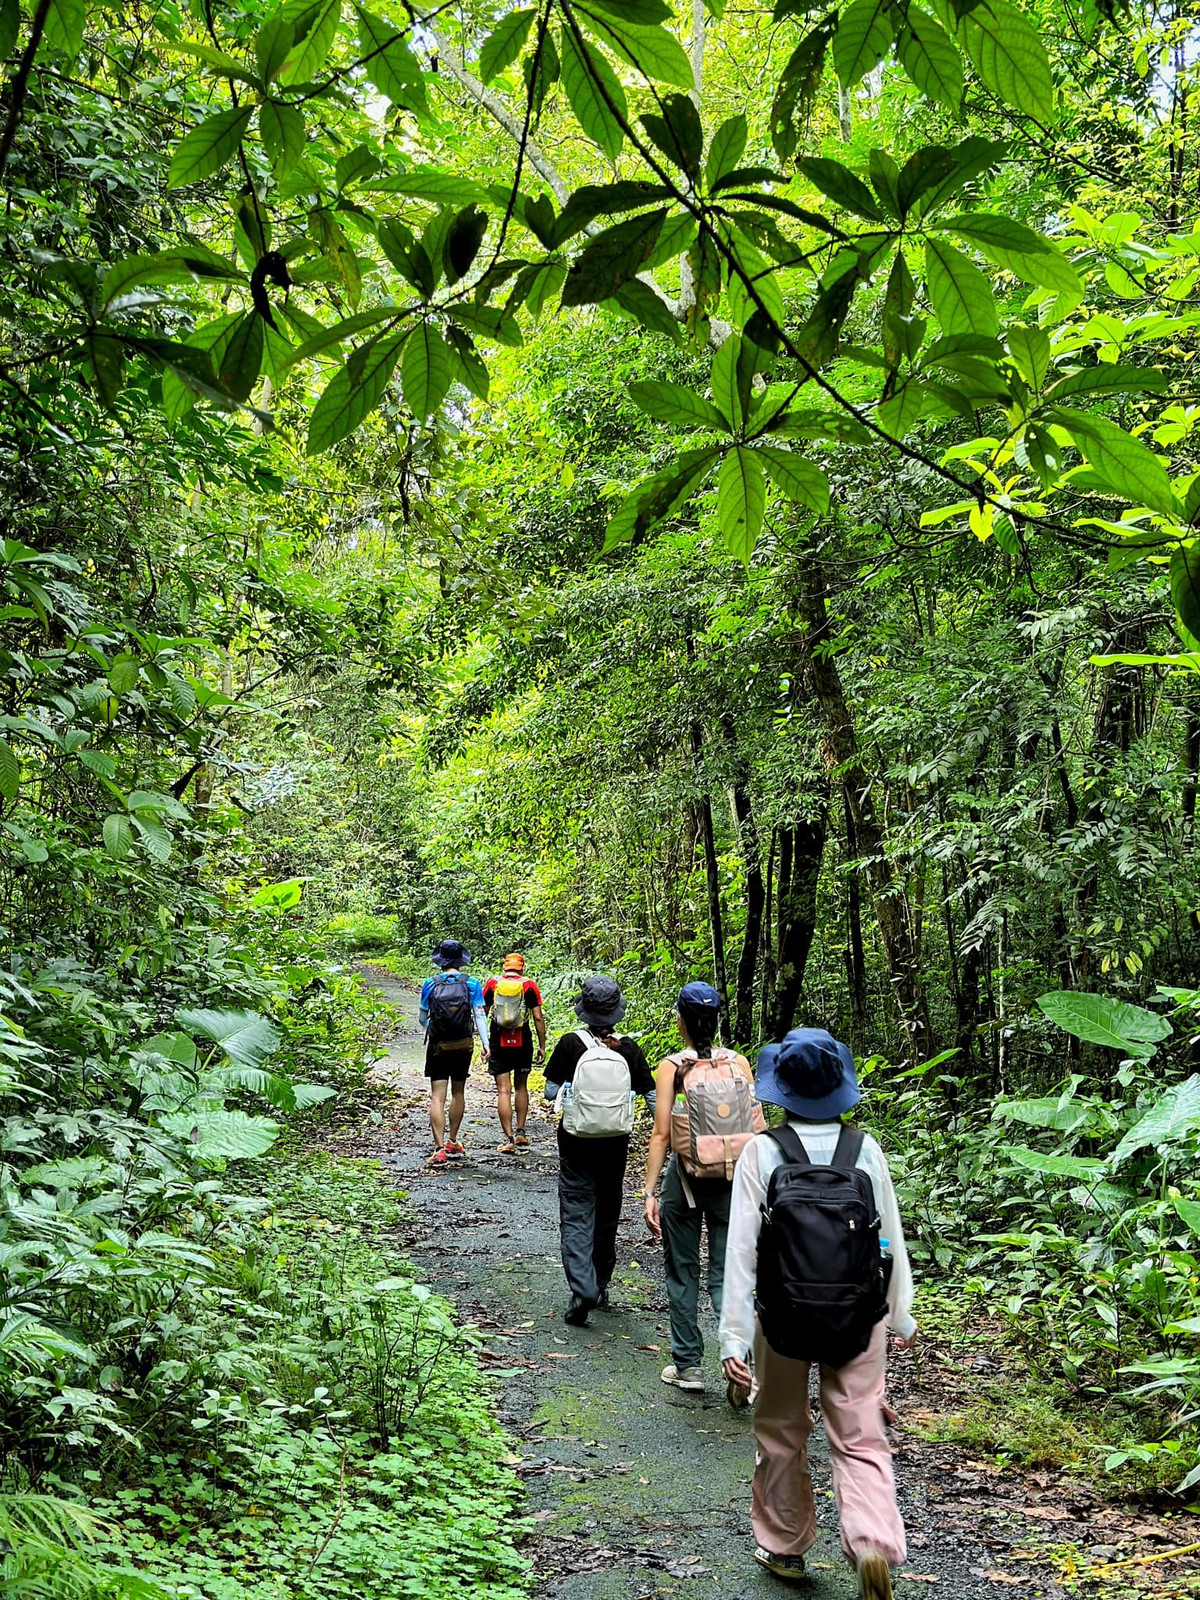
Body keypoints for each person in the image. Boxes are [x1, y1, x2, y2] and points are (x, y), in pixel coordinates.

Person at [718, 1027, 916, 1599]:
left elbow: (742, 1251)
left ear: (782, 1091)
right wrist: (898, 1315)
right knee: (860, 1433)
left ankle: (784, 1546)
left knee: (781, 1429)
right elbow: (889, 1241)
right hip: (858, 1313)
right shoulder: (866, 1150)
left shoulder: (762, 1150)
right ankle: (874, 1544)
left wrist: (734, 1339)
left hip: (782, 1317)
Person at [642, 982, 760, 1393]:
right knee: (729, 1272)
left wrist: (649, 1191)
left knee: (682, 1268)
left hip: (685, 1180)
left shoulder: (673, 1067)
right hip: (733, 1180)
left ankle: (688, 1366)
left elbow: (661, 1134)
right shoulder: (740, 1064)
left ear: (682, 1021)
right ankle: (740, 1360)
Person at [543, 976, 655, 1326]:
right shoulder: (630, 1050)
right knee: (607, 1211)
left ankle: (583, 1287)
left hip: (576, 1142)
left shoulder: (570, 1044)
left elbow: (549, 1092)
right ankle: (601, 1283)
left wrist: (575, 1090)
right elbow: (651, 1098)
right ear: (616, 1013)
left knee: (577, 1210)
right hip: (615, 1145)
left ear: (585, 1011)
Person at [419, 939, 489, 1169]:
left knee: (437, 1095)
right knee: (458, 1092)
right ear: (461, 960)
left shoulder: (430, 983)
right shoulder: (472, 983)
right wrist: (486, 1044)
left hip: (439, 1045)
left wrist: (436, 1031)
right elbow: (479, 1015)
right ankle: (453, 1140)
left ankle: (439, 1149)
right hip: (463, 1044)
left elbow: (422, 1018)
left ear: (439, 960)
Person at [482, 952, 546, 1153]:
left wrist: (484, 1043)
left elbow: (482, 1012)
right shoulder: (529, 985)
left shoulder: (493, 983)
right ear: (522, 968)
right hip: (522, 1038)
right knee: (521, 1086)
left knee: (503, 1090)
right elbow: (537, 1017)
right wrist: (542, 1045)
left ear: (504, 967)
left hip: (498, 1037)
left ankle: (508, 1138)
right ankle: (520, 1132)